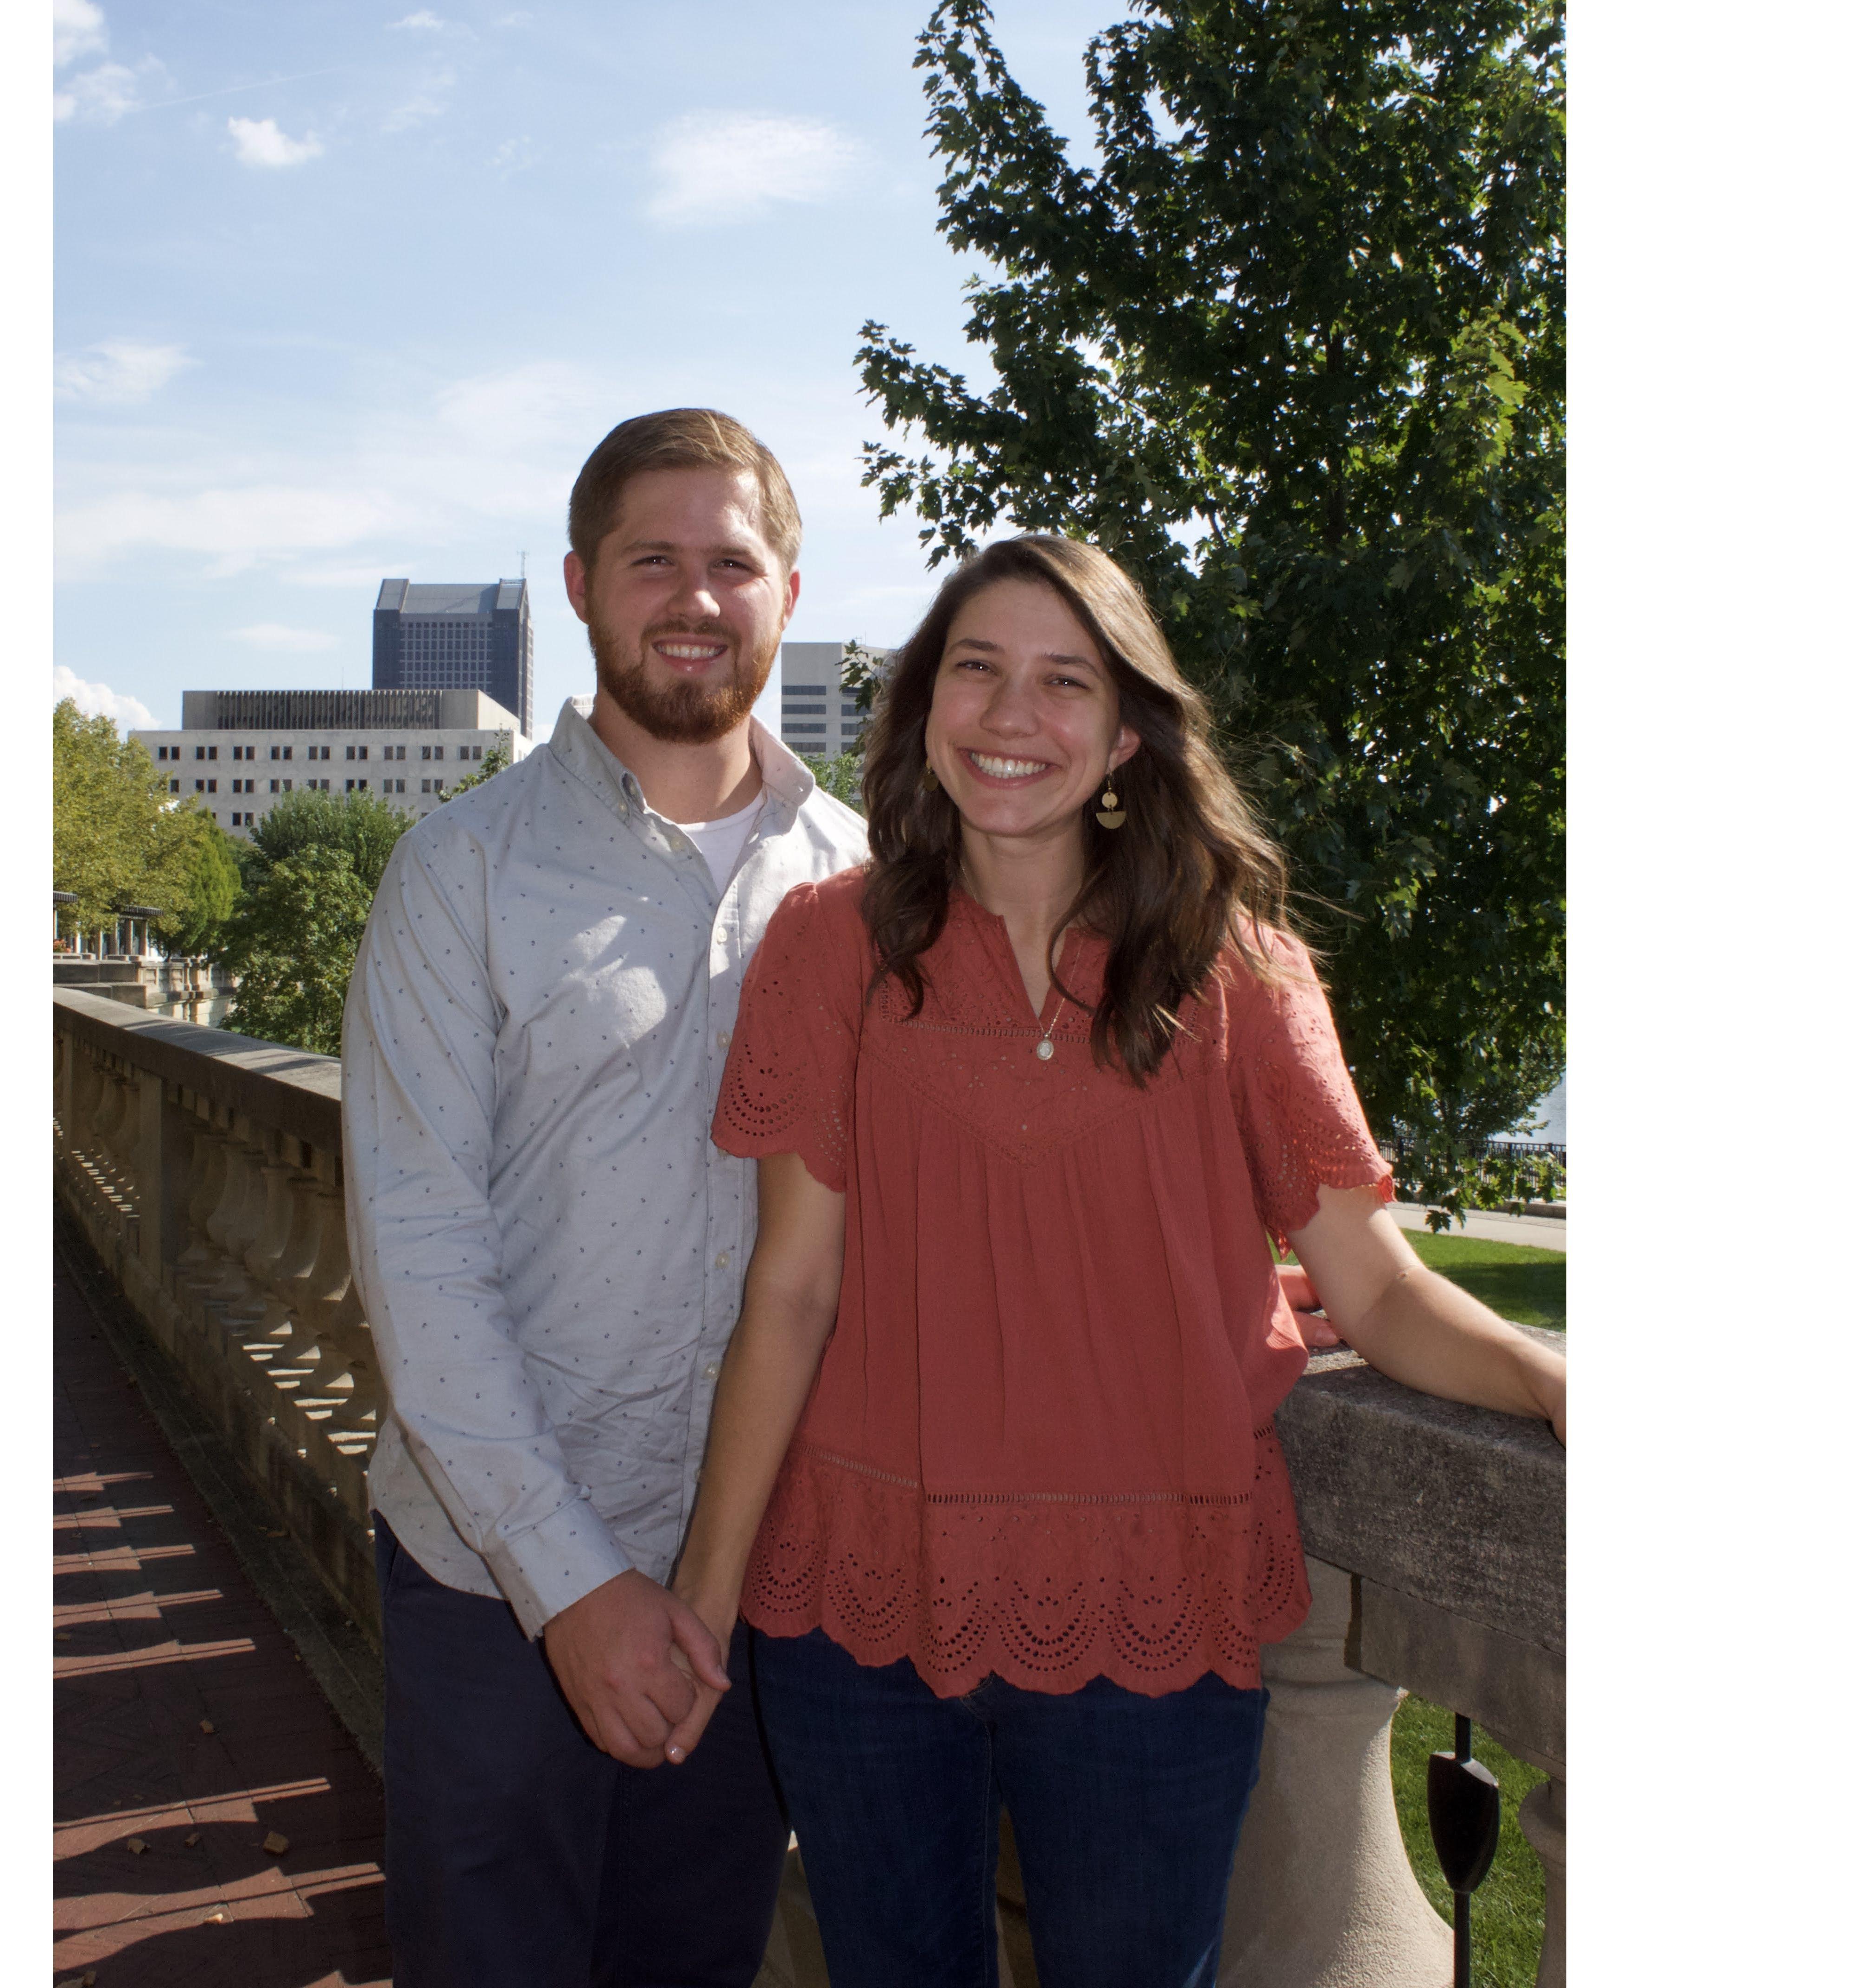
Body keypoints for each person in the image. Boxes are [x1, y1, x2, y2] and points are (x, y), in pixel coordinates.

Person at [663, 534, 1566, 1988]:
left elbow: (1378, 1285)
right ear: (922, 705)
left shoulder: (1238, 969)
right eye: (977, 669)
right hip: (854, 1609)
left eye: (1063, 680)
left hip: (1150, 1618)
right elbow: (792, 1288)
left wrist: (1545, 1379)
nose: (1011, 715)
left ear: (1127, 731)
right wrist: (702, 1601)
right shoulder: (826, 947)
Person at [340, 408, 868, 1988]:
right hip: (492, 1582)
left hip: (758, 1581)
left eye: (732, 562)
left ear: (788, 591)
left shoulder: (865, 880)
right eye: (654, 560)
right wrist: (571, 1590)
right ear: (579, 584)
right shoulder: (463, 872)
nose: (694, 599)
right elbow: (420, 1260)